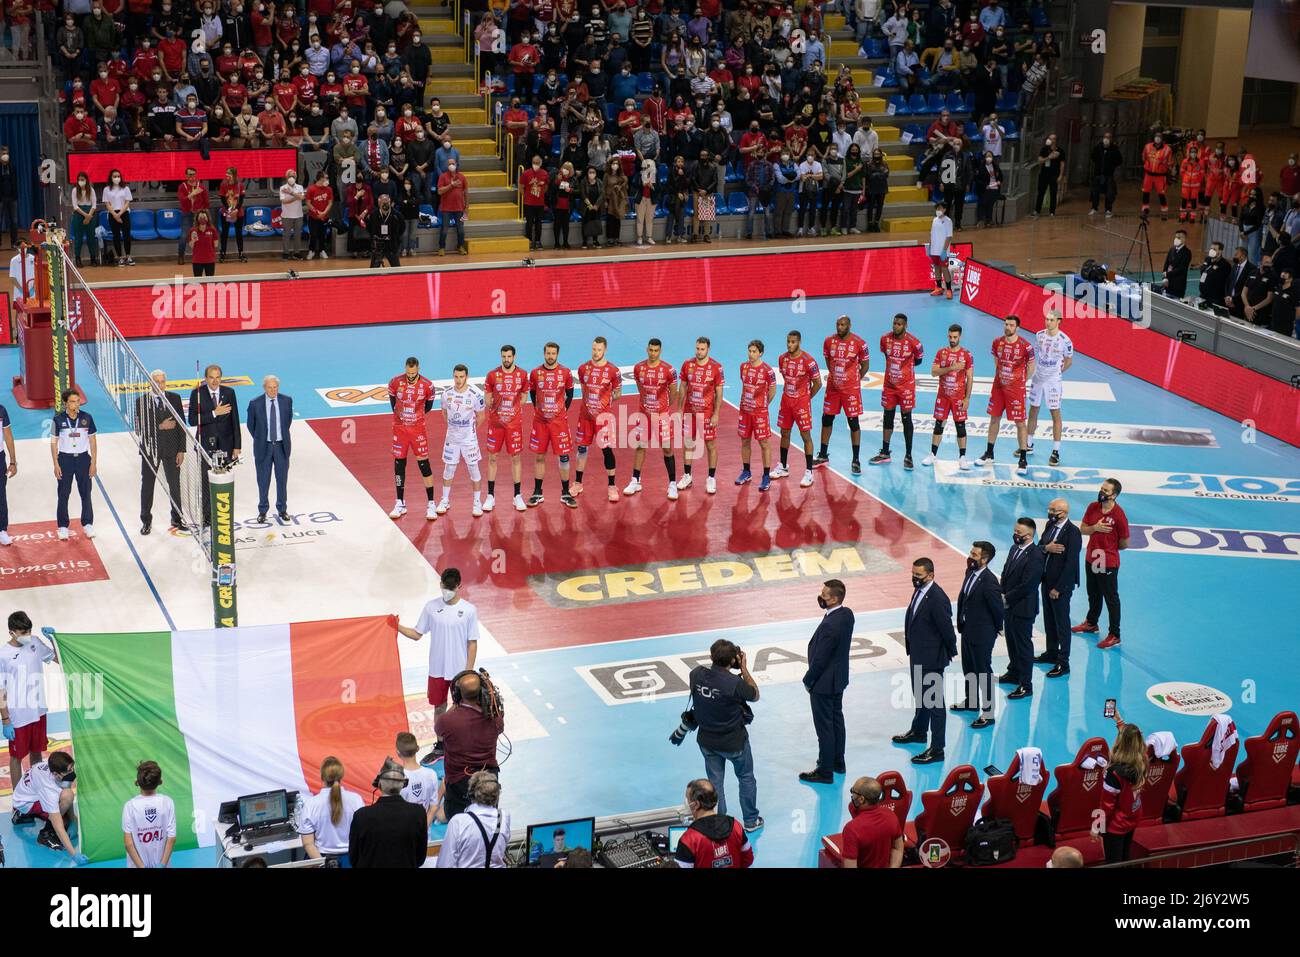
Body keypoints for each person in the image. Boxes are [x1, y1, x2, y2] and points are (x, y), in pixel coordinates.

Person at [398, 567, 480, 757]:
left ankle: (462, 741)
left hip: (459, 671)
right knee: (439, 707)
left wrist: (468, 672)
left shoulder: (468, 610)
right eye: (445, 586)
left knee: (462, 708)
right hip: (437, 670)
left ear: (459, 586)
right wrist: (397, 626)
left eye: (451, 587)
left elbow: (472, 643)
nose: (447, 590)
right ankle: (441, 745)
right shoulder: (431, 607)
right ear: (440, 584)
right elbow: (417, 634)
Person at [683, 638, 763, 831]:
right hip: (735, 743)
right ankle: (751, 821)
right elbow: (755, 694)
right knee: (746, 777)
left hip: (708, 742)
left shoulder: (696, 674)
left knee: (715, 783)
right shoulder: (735, 683)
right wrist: (743, 669)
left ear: (711, 656)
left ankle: (719, 824)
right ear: (733, 660)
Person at [892, 557, 955, 764]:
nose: (914, 578)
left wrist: (948, 652)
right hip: (919, 654)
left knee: (935, 703)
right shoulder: (921, 591)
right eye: (913, 574)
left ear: (931, 575)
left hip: (932, 658)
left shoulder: (937, 598)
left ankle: (937, 749)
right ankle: (919, 732)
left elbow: (947, 630)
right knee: (920, 696)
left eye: (918, 575)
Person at [800, 579, 853, 783]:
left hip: (823, 683)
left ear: (835, 598)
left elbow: (821, 658)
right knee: (836, 721)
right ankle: (838, 762)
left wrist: (808, 680)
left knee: (825, 728)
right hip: (838, 679)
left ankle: (825, 770)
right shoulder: (847, 615)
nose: (821, 597)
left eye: (825, 595)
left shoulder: (831, 624)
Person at [429, 672, 503, 819]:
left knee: (449, 818)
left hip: (459, 783)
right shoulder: (496, 719)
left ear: (457, 695)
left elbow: (439, 731)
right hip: (488, 780)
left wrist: (456, 706)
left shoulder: (447, 720)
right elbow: (499, 727)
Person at [1, 612, 58, 791]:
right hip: (18, 716)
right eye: (23, 632)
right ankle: (19, 798)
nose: (27, 635)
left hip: (39, 711)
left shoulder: (35, 642)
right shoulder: (3, 655)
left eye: (29, 631)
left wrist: (54, 640)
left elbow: (58, 659)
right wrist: (6, 720)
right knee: (17, 757)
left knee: (36, 753)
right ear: (12, 632)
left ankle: (36, 788)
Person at [952, 541, 1003, 727]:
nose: (970, 557)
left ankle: (988, 713)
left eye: (974, 555)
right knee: (969, 668)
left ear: (985, 559)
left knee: (983, 671)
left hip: (982, 634)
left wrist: (994, 630)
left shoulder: (990, 582)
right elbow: (964, 597)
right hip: (967, 629)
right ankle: (972, 701)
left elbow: (997, 610)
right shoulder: (970, 572)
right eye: (970, 552)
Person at [624, 338, 681, 500]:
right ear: (647, 350)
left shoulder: (669, 370)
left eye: (656, 351)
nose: (653, 353)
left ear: (660, 351)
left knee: (667, 448)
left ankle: (672, 484)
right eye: (651, 350)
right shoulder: (638, 368)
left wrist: (663, 409)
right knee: (640, 446)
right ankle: (635, 480)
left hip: (662, 415)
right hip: (643, 414)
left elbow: (673, 393)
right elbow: (640, 389)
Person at [1075, 477, 1129, 649]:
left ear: (1114, 495)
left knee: (1111, 598)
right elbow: (1083, 529)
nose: (1101, 492)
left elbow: (1124, 543)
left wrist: (1109, 548)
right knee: (1093, 593)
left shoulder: (1119, 515)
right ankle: (1091, 623)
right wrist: (1095, 529)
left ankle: (1115, 634)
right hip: (1092, 557)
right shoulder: (1093, 507)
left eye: (1106, 491)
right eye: (1101, 489)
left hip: (1108, 561)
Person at [976, 315, 1035, 474]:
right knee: (994, 419)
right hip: (998, 387)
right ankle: (989, 453)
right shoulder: (997, 342)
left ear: (1017, 328)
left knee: (1020, 423)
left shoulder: (1026, 346)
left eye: (1011, 325)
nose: (1007, 327)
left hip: (1016, 390)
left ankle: (1023, 459)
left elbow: (1031, 366)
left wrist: (1020, 381)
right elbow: (997, 361)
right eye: (1006, 324)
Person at [347, 758, 428, 868]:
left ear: (379, 784)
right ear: (403, 784)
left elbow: (354, 858)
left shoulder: (361, 816)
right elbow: (420, 857)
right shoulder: (418, 813)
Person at [188, 364, 241, 525]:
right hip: (205, 445)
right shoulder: (197, 394)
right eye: (211, 377)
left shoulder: (229, 393)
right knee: (206, 481)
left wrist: (237, 446)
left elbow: (235, 421)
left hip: (226, 445)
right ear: (206, 378)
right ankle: (207, 516)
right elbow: (192, 420)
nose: (215, 381)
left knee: (224, 480)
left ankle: (222, 514)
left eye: (218, 377)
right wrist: (213, 413)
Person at [815, 314, 869, 473]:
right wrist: (835, 375)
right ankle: (823, 455)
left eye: (843, 325)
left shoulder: (860, 343)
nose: (840, 328)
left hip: (850, 390)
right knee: (827, 419)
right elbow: (828, 361)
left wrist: (853, 380)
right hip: (832, 389)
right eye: (838, 324)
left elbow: (865, 366)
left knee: (853, 423)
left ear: (849, 325)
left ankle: (856, 460)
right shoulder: (829, 341)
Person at [386, 356, 438, 520]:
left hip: (417, 430)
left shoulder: (428, 386)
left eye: (413, 373)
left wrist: (414, 418)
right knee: (399, 464)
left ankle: (431, 503)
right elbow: (392, 403)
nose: (410, 376)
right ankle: (400, 502)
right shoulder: (395, 382)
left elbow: (428, 407)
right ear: (405, 369)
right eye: (408, 373)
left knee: (424, 464)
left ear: (418, 369)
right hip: (400, 429)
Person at [870, 313, 924, 468]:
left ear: (905, 326)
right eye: (894, 323)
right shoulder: (885, 339)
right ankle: (885, 452)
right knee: (888, 418)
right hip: (889, 386)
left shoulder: (915, 343)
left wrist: (904, 372)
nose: (895, 326)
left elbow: (918, 360)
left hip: (906, 387)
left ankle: (908, 455)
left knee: (906, 419)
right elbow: (886, 355)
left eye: (899, 324)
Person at [1035, 498, 1082, 678]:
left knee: (1062, 623)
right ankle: (1051, 652)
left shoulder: (1073, 533)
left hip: (1060, 586)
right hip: (1046, 582)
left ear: (1063, 513)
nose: (1050, 512)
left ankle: (1064, 662)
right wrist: (1047, 548)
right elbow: (1039, 548)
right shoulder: (1049, 525)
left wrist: (1059, 588)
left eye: (1053, 509)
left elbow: (1071, 564)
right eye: (1049, 508)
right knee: (1049, 620)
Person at [11, 751, 85, 863]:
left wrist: (73, 820)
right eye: (69, 770)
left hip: (24, 795)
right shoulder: (49, 790)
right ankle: (45, 835)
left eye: (72, 768)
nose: (72, 772)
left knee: (66, 794)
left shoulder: (51, 768)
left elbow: (66, 787)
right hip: (25, 803)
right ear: (56, 774)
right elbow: (58, 826)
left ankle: (21, 815)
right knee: (63, 817)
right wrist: (74, 855)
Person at [528, 342, 578, 508]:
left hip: (559, 423)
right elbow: (533, 393)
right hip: (541, 422)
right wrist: (541, 410)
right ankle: (537, 492)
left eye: (553, 353)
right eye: (548, 353)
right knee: (540, 456)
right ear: (544, 354)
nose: (550, 356)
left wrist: (561, 412)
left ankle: (565, 493)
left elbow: (570, 395)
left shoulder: (565, 372)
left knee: (563, 457)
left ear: (557, 354)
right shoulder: (535, 373)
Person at [999, 517, 1045, 700]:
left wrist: (1006, 598)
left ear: (1029, 535)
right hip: (1009, 606)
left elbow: (1029, 584)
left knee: (1023, 646)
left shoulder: (1036, 555)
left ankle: (1026, 684)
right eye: (1015, 531)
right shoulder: (1014, 549)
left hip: (1023, 608)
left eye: (1018, 532)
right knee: (1011, 641)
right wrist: (1002, 592)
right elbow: (1005, 572)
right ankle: (1014, 672)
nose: (1015, 534)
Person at [136, 370, 185, 535]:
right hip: (151, 451)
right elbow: (140, 428)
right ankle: (146, 521)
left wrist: (181, 450)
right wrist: (160, 426)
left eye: (162, 381)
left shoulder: (175, 399)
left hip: (172, 450)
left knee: (175, 485)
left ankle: (177, 518)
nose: (160, 385)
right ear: (151, 383)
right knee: (148, 486)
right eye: (156, 382)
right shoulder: (141, 402)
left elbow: (181, 426)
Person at [483, 345, 530, 513]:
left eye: (509, 357)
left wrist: (513, 410)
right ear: (501, 356)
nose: (506, 360)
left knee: (516, 458)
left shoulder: (523, 375)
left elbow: (524, 396)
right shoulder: (492, 375)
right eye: (504, 356)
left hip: (514, 425)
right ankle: (490, 496)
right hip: (495, 425)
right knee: (492, 458)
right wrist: (499, 409)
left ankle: (517, 495)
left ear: (514, 357)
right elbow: (487, 399)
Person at [573, 337, 621, 502]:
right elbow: (584, 388)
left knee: (606, 450)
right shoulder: (582, 369)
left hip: (603, 419)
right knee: (581, 449)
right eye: (594, 349)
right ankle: (578, 483)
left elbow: (617, 393)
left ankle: (612, 486)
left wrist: (606, 403)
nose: (596, 352)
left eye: (599, 350)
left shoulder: (613, 371)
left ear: (605, 350)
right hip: (585, 417)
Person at [771, 330, 821, 487]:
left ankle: (809, 472)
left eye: (793, 342)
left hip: (801, 403)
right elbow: (786, 378)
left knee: (805, 436)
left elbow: (818, 383)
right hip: (786, 401)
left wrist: (805, 398)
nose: (790, 344)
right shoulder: (782, 359)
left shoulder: (809, 361)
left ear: (799, 342)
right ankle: (783, 467)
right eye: (788, 341)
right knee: (784, 432)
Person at [437, 364, 486, 517]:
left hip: (469, 440)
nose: (458, 380)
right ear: (453, 376)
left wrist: (469, 430)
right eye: (456, 377)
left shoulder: (475, 395)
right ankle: (445, 500)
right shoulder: (446, 394)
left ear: (467, 377)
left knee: (473, 469)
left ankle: (477, 502)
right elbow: (444, 413)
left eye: (461, 377)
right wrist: (455, 429)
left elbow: (481, 416)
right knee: (449, 468)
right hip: (452, 439)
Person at [677, 336, 725, 494]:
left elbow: (719, 392)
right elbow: (683, 387)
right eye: (697, 348)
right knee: (688, 444)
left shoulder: (716, 367)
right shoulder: (687, 364)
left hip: (707, 413)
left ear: (708, 349)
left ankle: (711, 478)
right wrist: (679, 409)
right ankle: (687, 476)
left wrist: (716, 414)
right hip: (690, 412)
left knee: (710, 445)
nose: (699, 351)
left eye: (702, 349)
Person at [1025, 310, 1073, 465]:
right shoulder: (1039, 335)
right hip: (1038, 378)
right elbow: (1037, 355)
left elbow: (1068, 361)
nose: (1048, 322)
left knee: (1055, 414)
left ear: (1059, 321)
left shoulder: (1065, 341)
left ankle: (1056, 451)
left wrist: (1057, 372)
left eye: (1052, 320)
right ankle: (1029, 444)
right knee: (1033, 410)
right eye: (1047, 319)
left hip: (1053, 381)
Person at [1098, 712, 1146, 863]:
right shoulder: (1142, 760)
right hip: (1132, 818)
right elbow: (1133, 741)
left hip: (1115, 826)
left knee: (1113, 863)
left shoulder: (1114, 773)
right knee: (1125, 858)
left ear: (1120, 743)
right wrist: (1119, 722)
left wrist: (1096, 826)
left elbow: (1106, 806)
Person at [924, 323, 974, 468]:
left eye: (955, 337)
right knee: (938, 425)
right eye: (950, 337)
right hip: (943, 396)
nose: (952, 339)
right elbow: (933, 372)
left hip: (958, 397)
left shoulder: (966, 355)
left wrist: (967, 398)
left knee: (960, 426)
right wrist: (951, 367)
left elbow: (970, 377)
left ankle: (962, 457)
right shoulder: (941, 353)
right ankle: (933, 455)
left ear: (960, 337)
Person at [298, 756, 364, 865]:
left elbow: (308, 844)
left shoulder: (311, 804)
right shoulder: (356, 800)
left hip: (322, 859)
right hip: (351, 860)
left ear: (322, 776)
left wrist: (323, 865)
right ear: (341, 775)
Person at [674, 778, 754, 868]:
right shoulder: (736, 826)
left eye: (687, 799)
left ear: (696, 804)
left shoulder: (689, 839)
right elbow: (748, 859)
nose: (686, 802)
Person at [436, 770, 509, 868]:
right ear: (496, 796)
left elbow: (444, 865)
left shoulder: (458, 822)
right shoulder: (503, 817)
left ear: (470, 794)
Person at [246, 374, 293, 524]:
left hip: (281, 447)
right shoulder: (255, 403)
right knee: (263, 480)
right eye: (270, 387)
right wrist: (261, 438)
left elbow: (287, 422)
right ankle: (263, 510)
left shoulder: (286, 401)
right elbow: (250, 426)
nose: (273, 390)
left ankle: (282, 509)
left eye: (275, 387)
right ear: (264, 388)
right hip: (263, 447)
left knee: (282, 480)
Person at [52, 391, 97, 541]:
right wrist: (56, 464)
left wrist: (93, 463)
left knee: (86, 493)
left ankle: (88, 523)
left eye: (78, 401)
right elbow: (53, 443)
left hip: (83, 459)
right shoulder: (57, 420)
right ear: (65, 403)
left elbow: (93, 441)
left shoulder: (87, 418)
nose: (76, 404)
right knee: (63, 494)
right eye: (72, 401)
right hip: (65, 460)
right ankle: (63, 526)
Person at [735, 339, 777, 491]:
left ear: (761, 353)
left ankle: (766, 476)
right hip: (745, 411)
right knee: (745, 441)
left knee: (764, 443)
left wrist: (763, 405)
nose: (751, 354)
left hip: (760, 413)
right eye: (750, 351)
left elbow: (772, 391)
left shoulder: (768, 371)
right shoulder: (743, 367)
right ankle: (746, 471)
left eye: (754, 352)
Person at [122, 760, 177, 868]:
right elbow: (172, 838)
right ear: (160, 781)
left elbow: (128, 844)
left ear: (137, 782)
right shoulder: (167, 802)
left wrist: (142, 867)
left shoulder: (129, 806)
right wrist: (162, 864)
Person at [840, 777, 904, 868]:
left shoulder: (851, 829)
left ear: (861, 799)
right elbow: (898, 848)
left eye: (853, 791)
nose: (852, 795)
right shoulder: (891, 815)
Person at [395, 732, 439, 828]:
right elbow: (434, 806)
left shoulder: (395, 778)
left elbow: (393, 812)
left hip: (403, 833)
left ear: (398, 753)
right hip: (424, 834)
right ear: (418, 748)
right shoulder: (431, 774)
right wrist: (423, 828)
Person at [436, 159, 469, 255]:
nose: (451, 165)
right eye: (449, 164)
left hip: (459, 208)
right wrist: (451, 185)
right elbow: (439, 191)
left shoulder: (462, 177)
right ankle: (441, 248)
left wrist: (467, 207)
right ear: (447, 165)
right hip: (446, 208)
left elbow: (466, 193)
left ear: (456, 164)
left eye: (453, 163)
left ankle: (460, 246)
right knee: (444, 229)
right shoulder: (443, 176)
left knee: (461, 230)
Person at [1088, 131, 1122, 218]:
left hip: (1109, 175)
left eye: (1109, 137)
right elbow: (1093, 157)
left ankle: (1108, 210)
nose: (1107, 139)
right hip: (1098, 174)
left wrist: (1111, 165)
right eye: (1105, 137)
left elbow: (1119, 160)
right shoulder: (1098, 147)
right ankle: (1094, 208)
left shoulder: (1115, 149)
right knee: (1095, 192)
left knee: (1109, 193)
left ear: (1111, 139)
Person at [1141, 132, 1173, 220]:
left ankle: (1164, 211)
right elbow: (1144, 157)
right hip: (1148, 174)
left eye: (1159, 137)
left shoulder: (1167, 149)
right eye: (1156, 137)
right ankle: (1145, 210)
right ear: (1153, 138)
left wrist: (1167, 172)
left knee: (1161, 194)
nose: (1157, 138)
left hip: (1160, 176)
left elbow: (1170, 163)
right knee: (1145, 192)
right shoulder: (1147, 147)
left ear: (1162, 139)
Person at [368, 193, 405, 267]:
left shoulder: (397, 215)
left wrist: (395, 238)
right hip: (378, 246)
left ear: (390, 202)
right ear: (379, 203)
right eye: (383, 202)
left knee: (397, 269)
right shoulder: (373, 215)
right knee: (373, 271)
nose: (385, 204)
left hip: (392, 245)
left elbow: (402, 228)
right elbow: (369, 229)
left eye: (387, 202)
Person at [1031, 133, 1063, 218]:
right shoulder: (1044, 149)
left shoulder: (1060, 151)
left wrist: (1060, 176)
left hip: (1054, 175)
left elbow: (1062, 164)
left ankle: (1052, 212)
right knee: (1041, 192)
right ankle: (1037, 211)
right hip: (1044, 174)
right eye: (1049, 138)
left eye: (1053, 139)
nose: (1050, 140)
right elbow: (1040, 160)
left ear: (1055, 140)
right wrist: (1049, 157)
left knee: (1053, 193)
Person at [928, 201, 955, 298]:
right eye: (937, 209)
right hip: (934, 250)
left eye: (940, 209)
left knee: (944, 269)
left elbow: (949, 237)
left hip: (943, 251)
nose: (938, 210)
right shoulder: (934, 220)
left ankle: (949, 290)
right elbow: (931, 234)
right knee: (936, 268)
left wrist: (944, 250)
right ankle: (939, 288)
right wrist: (930, 247)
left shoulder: (948, 221)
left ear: (944, 209)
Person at [279, 169, 306, 260]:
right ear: (286, 177)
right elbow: (284, 201)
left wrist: (291, 193)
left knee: (298, 235)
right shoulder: (283, 188)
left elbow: (302, 197)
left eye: (293, 176)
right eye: (290, 176)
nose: (291, 178)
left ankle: (296, 252)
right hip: (286, 215)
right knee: (286, 235)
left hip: (298, 215)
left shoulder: (300, 187)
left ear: (296, 177)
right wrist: (296, 197)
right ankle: (286, 252)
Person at [1198, 242, 1230, 313]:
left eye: (1214, 249)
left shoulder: (1225, 265)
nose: (1212, 250)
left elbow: (1215, 277)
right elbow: (1202, 270)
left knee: (1211, 318)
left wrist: (1211, 267)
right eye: (1211, 248)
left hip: (1215, 299)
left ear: (1220, 251)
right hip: (1203, 296)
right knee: (1201, 314)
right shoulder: (1207, 259)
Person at [186, 209, 218, 277]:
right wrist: (193, 240)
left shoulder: (212, 229)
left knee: (210, 283)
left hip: (210, 260)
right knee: (197, 283)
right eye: (201, 217)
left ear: (207, 218)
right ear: (197, 219)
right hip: (197, 260)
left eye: (204, 217)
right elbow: (191, 245)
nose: (202, 219)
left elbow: (216, 244)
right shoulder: (193, 230)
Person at [1161, 229, 1192, 299]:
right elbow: (1166, 264)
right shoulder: (1172, 249)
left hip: (1178, 286)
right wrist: (1165, 278)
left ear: (1184, 239)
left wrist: (1167, 274)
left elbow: (1181, 269)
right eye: (1176, 237)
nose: (1176, 239)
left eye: (1179, 237)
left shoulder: (1187, 253)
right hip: (1167, 283)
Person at [0, 399, 14, 546]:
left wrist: (13, 461)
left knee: (0, 495)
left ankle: (2, 530)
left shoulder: (1, 410)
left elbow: (8, 436)